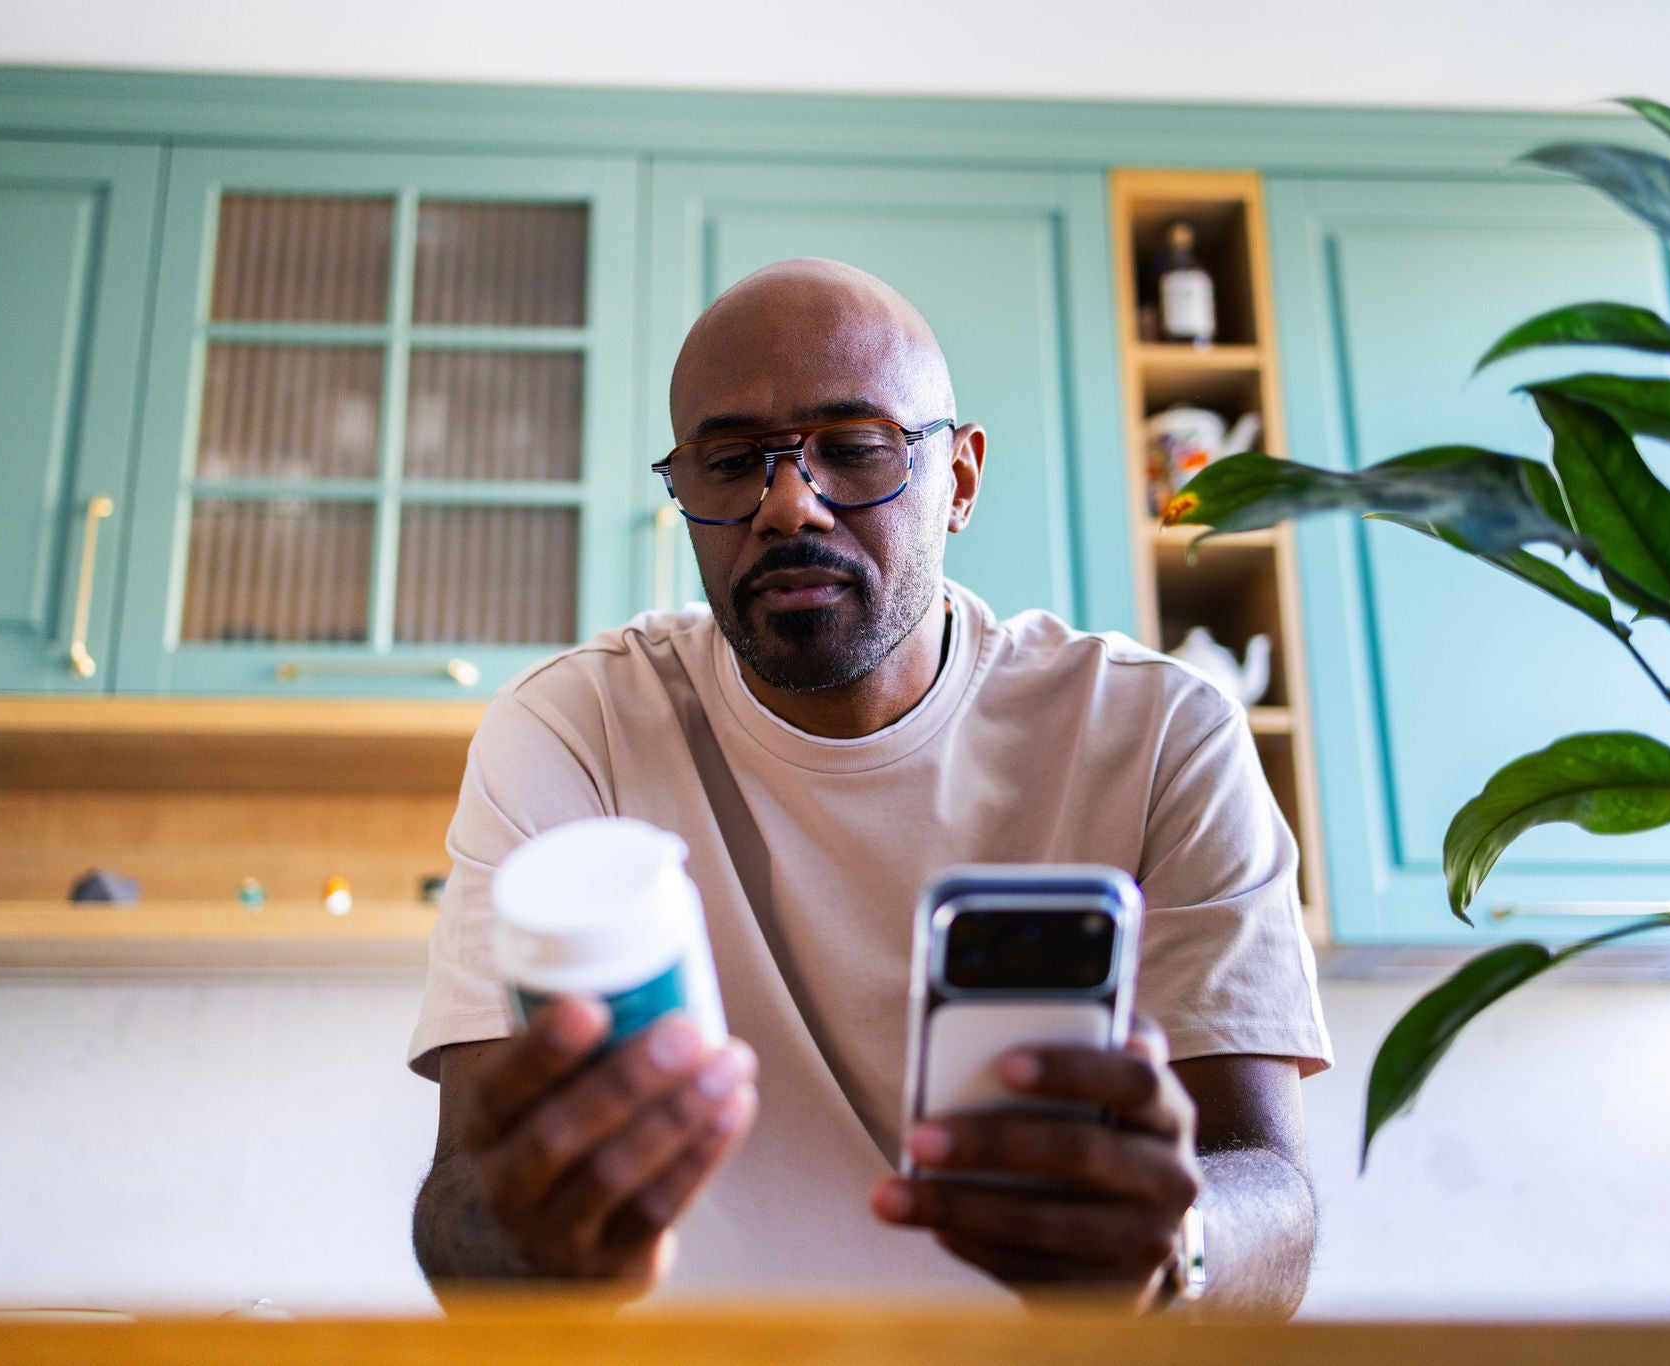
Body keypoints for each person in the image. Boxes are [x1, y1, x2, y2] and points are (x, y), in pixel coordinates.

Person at [409, 258, 1331, 1314]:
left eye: (853, 449)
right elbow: (463, 1204)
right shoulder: (572, 730)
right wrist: (537, 1241)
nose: (789, 504)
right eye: (729, 461)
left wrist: (1176, 1243)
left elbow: (1274, 1195)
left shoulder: (1159, 729)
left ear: (962, 479)